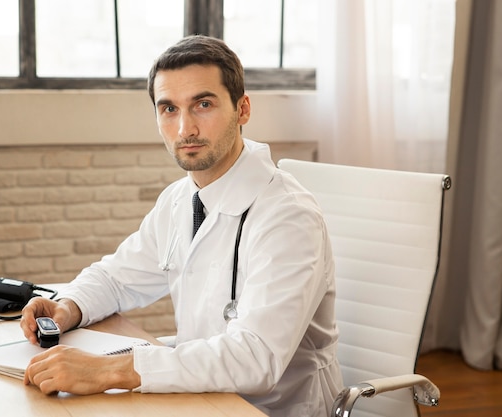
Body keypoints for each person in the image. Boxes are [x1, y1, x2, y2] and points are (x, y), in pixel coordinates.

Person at [20, 35, 343, 417]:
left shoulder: (287, 215)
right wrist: (69, 306)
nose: (184, 128)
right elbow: (118, 278)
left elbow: (257, 358)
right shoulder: (180, 199)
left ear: (243, 109)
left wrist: (110, 370)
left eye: (203, 104)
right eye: (169, 108)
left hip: (275, 410)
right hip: (199, 399)